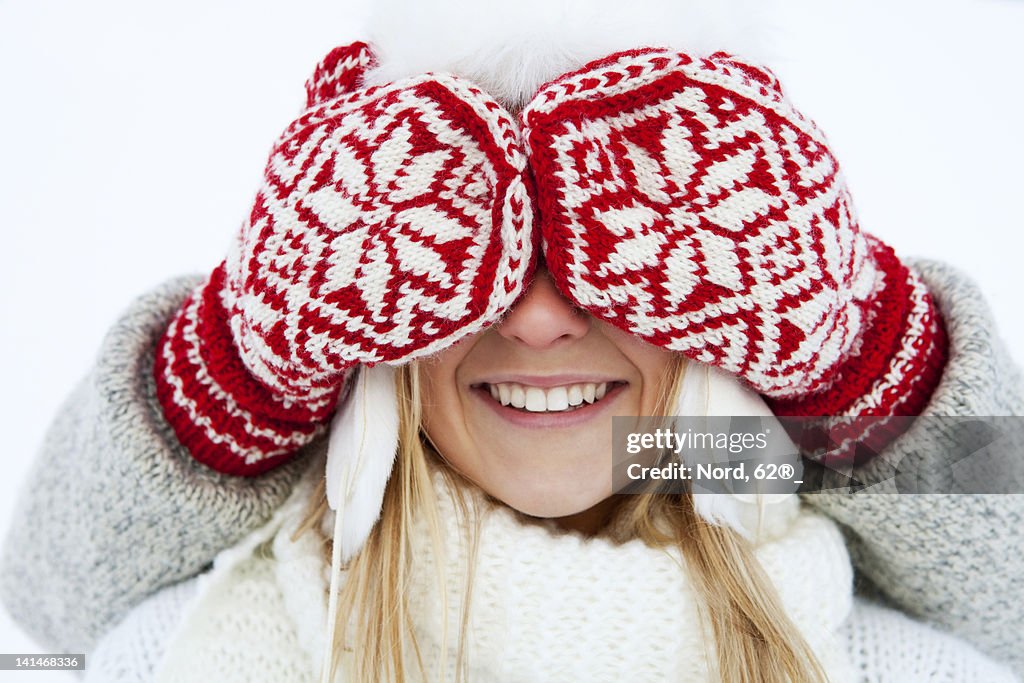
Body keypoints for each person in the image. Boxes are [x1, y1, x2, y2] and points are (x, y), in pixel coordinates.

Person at [2, 2, 1023, 681]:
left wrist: (862, 354)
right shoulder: (181, 654)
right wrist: (239, 360)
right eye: (468, 240)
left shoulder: (870, 636)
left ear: (728, 281)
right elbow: (46, 588)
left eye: (618, 242)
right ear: (364, 286)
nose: (536, 317)